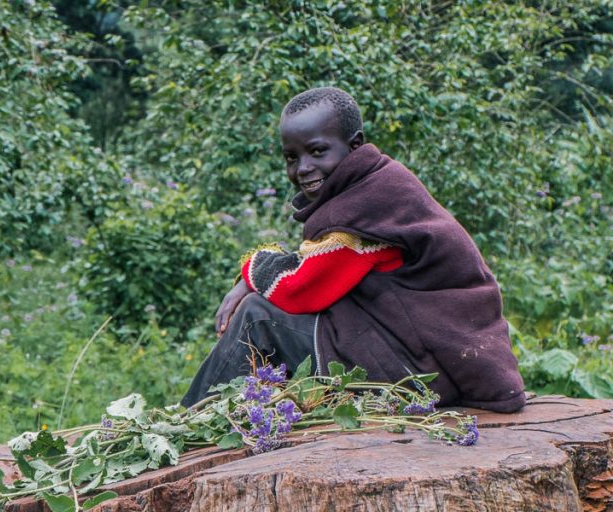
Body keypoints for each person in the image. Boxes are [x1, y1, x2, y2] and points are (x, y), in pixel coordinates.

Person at [181, 87, 526, 413]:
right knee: (269, 308)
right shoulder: (380, 184)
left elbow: (300, 290)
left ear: (354, 145)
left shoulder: (364, 208)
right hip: (427, 357)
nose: (303, 168)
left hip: (419, 374)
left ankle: (185, 423)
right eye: (291, 157)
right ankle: (231, 416)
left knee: (257, 316)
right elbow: (320, 268)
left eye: (317, 151)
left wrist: (250, 274)